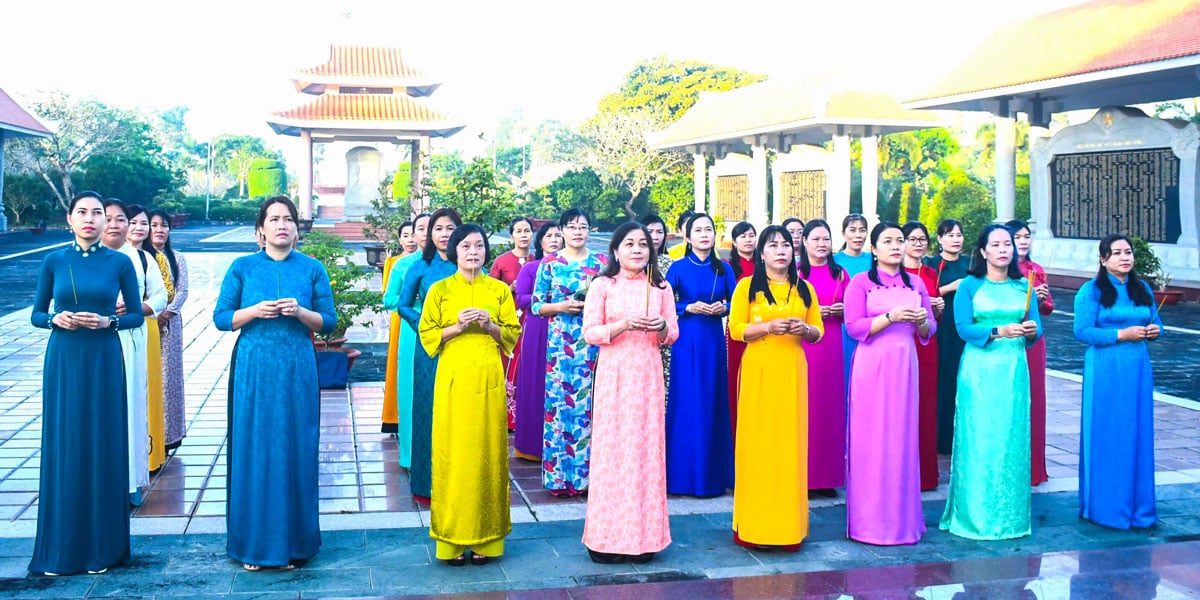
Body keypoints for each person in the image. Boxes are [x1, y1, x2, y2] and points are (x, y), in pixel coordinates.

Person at [214, 196, 336, 571]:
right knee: (255, 448)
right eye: (274, 219)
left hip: (297, 365)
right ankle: (253, 547)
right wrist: (253, 311)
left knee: (296, 446)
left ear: (297, 229)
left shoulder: (312, 269)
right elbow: (221, 317)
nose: (282, 225)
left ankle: (296, 544)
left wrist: (301, 313)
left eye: (288, 219)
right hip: (254, 367)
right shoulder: (242, 267)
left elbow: (329, 322)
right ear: (260, 229)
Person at [29, 191, 145, 576]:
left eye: (98, 213)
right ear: (69, 219)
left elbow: (135, 317)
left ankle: (103, 549)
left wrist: (107, 322)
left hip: (103, 358)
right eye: (83, 212)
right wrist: (53, 320)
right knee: (66, 444)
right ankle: (62, 549)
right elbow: (35, 314)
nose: (91, 219)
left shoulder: (120, 262)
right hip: (64, 358)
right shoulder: (53, 261)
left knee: (102, 444)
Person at [419, 224, 520, 566]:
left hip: (488, 378)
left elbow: (510, 335)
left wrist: (489, 323)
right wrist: (459, 327)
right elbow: (427, 334)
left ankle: (487, 542)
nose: (473, 252)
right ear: (454, 251)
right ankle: (450, 541)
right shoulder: (440, 290)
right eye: (466, 246)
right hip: (453, 379)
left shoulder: (499, 290)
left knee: (488, 453)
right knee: (453, 455)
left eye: (479, 246)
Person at [582, 222, 679, 564]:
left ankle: (645, 538)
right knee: (612, 452)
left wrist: (662, 326)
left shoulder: (661, 288)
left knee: (646, 452)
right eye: (629, 244)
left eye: (642, 244)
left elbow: (672, 333)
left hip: (648, 376)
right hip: (614, 374)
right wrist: (622, 325)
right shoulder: (602, 285)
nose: (637, 249)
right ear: (615, 250)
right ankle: (605, 539)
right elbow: (589, 332)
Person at [940, 224, 1041, 541]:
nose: (1003, 250)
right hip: (980, 371)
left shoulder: (1023, 285)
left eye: (1007, 244)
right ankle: (974, 515)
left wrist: (1030, 331)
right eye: (995, 245)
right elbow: (963, 329)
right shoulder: (970, 286)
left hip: (1013, 372)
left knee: (1010, 439)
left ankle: (1010, 516)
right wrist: (998, 331)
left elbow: (1036, 329)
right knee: (980, 439)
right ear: (982, 251)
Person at [728, 225, 823, 551]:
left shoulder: (804, 289)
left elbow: (818, 332)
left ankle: (787, 528)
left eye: (786, 245)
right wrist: (767, 326)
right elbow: (736, 329)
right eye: (773, 245)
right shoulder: (746, 288)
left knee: (789, 445)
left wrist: (805, 328)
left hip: (792, 371)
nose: (781, 250)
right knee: (757, 445)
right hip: (759, 370)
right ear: (762, 253)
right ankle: (753, 526)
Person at [844, 222, 936, 546]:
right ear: (874, 249)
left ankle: (902, 521)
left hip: (904, 367)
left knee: (901, 438)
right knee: (871, 439)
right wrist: (891, 318)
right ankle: (868, 524)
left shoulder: (916, 283)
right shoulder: (860, 283)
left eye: (900, 240)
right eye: (888, 241)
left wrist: (923, 320)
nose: (896, 246)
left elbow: (928, 330)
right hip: (871, 366)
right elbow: (853, 326)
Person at [1074, 234, 1161, 530]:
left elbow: (1156, 322)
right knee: (1108, 431)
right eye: (1116, 253)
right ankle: (1106, 507)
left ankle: (1139, 508)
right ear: (1103, 259)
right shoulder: (1092, 291)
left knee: (1136, 431)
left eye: (1128, 252)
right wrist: (1121, 335)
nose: (1124, 257)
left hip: (1137, 367)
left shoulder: (1142, 288)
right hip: (1105, 369)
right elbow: (1083, 331)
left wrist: (1153, 332)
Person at [532, 208, 607, 496]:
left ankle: (589, 479)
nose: (578, 232)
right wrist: (561, 307)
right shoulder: (549, 265)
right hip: (560, 347)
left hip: (593, 345)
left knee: (590, 409)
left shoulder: (602, 263)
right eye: (572, 227)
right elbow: (537, 306)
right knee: (560, 410)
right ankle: (559, 478)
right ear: (561, 230)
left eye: (583, 226)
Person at [664, 213, 737, 497]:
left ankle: (713, 477)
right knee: (687, 401)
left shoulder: (724, 268)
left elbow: (735, 301)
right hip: (686, 339)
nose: (705, 234)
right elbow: (667, 303)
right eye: (698, 230)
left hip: (713, 341)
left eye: (709, 229)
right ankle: (681, 476)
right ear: (688, 236)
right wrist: (688, 308)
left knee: (712, 400)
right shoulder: (678, 267)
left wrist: (724, 307)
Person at [101, 199, 167, 505]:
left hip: (131, 338)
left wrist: (138, 306)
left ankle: (130, 481)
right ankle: (96, 479)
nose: (114, 224)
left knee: (131, 407)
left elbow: (160, 295)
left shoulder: (141, 259)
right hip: (92, 341)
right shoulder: (84, 258)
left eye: (121, 219)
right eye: (108, 218)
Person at [397, 208, 461, 502]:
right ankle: (426, 483)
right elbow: (403, 305)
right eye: (439, 228)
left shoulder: (470, 265)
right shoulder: (419, 267)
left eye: (450, 228)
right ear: (430, 234)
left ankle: (459, 481)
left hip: (463, 347)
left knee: (459, 413)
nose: (445, 234)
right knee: (427, 410)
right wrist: (425, 323)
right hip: (430, 348)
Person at [797, 219, 848, 495]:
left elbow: (854, 308)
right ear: (804, 241)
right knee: (805, 405)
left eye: (825, 239)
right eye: (815, 239)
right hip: (804, 345)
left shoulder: (840, 274)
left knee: (828, 407)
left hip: (831, 346)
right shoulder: (795, 272)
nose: (821, 244)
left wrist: (840, 311)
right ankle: (802, 475)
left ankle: (826, 477)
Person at [1007, 219, 1054, 486]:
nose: (1023, 241)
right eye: (1018, 237)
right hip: (1007, 338)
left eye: (1027, 236)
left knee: (1034, 399)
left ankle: (1034, 467)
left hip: (1033, 341)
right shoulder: (1002, 271)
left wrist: (1042, 299)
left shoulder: (1036, 270)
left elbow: (1047, 309)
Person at [512, 223, 563, 461]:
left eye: (558, 235)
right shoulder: (532, 268)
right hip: (538, 327)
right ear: (540, 241)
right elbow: (521, 298)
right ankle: (531, 445)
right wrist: (549, 300)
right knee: (535, 381)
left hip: (565, 328)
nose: (554, 239)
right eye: (549, 236)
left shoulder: (572, 268)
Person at [383, 214, 430, 467]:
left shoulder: (453, 262)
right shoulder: (403, 265)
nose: (425, 233)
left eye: (430, 228)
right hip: (413, 331)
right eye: (419, 229)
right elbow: (389, 299)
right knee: (412, 394)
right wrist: (419, 307)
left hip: (449, 332)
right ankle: (412, 457)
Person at [901, 221, 944, 492]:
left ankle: (926, 474)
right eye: (912, 239)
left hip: (927, 343)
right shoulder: (895, 275)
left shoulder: (930, 273)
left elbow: (934, 317)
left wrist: (936, 308)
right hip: (902, 344)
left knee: (926, 404)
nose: (918, 244)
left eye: (922, 239)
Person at [127, 204, 169, 473]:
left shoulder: (148, 259)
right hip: (107, 331)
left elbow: (161, 296)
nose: (139, 228)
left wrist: (137, 308)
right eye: (132, 222)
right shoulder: (105, 257)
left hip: (144, 328)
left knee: (147, 392)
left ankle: (147, 459)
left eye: (145, 223)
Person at [925, 219, 968, 455]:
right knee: (942, 379)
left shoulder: (971, 264)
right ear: (940, 239)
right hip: (941, 327)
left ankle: (961, 435)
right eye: (950, 235)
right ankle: (941, 438)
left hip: (963, 327)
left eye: (959, 235)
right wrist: (951, 287)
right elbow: (925, 294)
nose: (956, 239)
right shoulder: (931, 265)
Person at [148, 209, 189, 452]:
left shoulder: (177, 258)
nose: (159, 230)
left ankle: (170, 434)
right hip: (146, 324)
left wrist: (167, 313)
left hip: (170, 326)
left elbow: (182, 290)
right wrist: (153, 314)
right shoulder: (141, 257)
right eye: (154, 225)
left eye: (164, 225)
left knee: (169, 379)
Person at [490, 216, 535, 430]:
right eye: (519, 231)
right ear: (511, 236)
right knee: (508, 362)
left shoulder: (538, 260)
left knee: (527, 363)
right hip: (509, 318)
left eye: (527, 231)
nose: (523, 235)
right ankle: (506, 416)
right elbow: (490, 294)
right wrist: (510, 288)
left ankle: (526, 414)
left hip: (532, 317)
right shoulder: (501, 261)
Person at [380, 220, 418, 435]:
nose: (411, 239)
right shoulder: (395, 262)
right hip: (401, 318)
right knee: (398, 367)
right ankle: (394, 416)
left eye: (414, 234)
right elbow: (389, 295)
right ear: (399, 239)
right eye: (406, 235)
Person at [724, 221, 756, 440]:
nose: (748, 240)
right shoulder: (727, 266)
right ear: (734, 242)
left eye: (752, 235)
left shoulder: (765, 265)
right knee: (736, 378)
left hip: (764, 328)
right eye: (743, 236)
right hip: (738, 330)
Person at [834, 214, 871, 391]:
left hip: (871, 324)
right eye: (853, 230)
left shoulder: (874, 260)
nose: (858, 235)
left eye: (862, 230)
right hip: (842, 325)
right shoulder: (834, 261)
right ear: (843, 234)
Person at [641, 214, 674, 393]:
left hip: (663, 331)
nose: (654, 236)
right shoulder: (630, 263)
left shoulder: (671, 264)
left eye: (659, 232)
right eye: (650, 231)